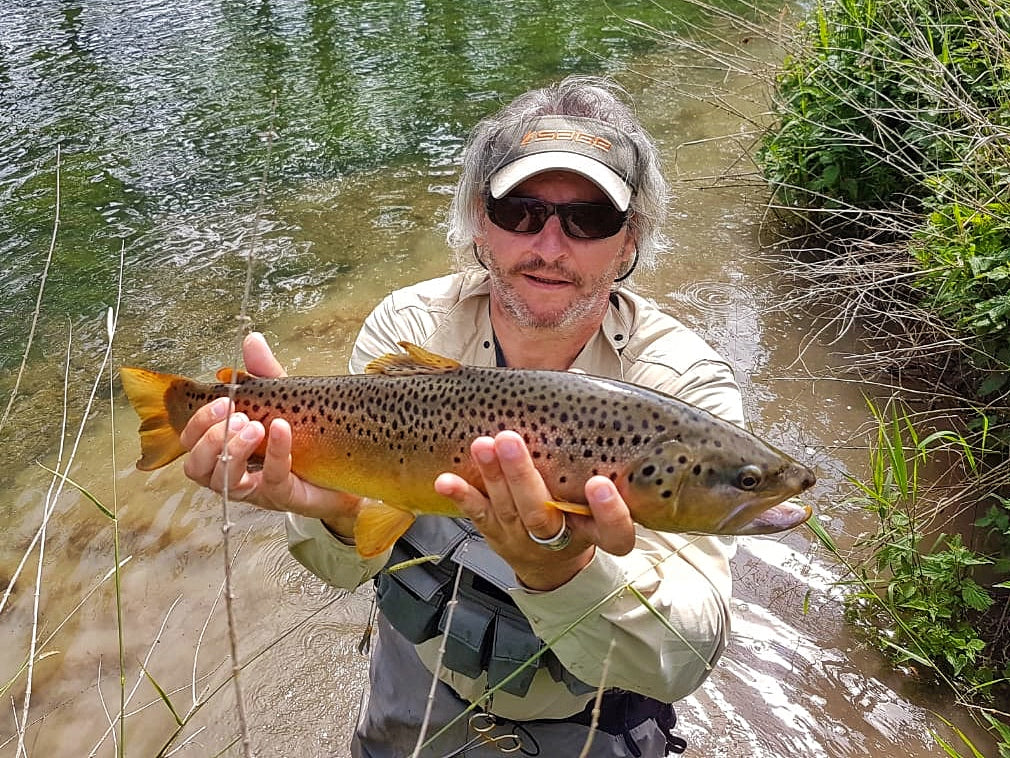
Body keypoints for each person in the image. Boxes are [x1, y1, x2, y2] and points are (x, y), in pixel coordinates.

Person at [180, 75, 743, 756]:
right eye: (521, 211)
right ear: (481, 219)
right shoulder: (409, 326)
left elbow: (685, 656)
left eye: (590, 219)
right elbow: (346, 566)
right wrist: (329, 508)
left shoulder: (683, 390)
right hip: (410, 695)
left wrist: (561, 572)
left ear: (630, 242)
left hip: (589, 723)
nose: (551, 245)